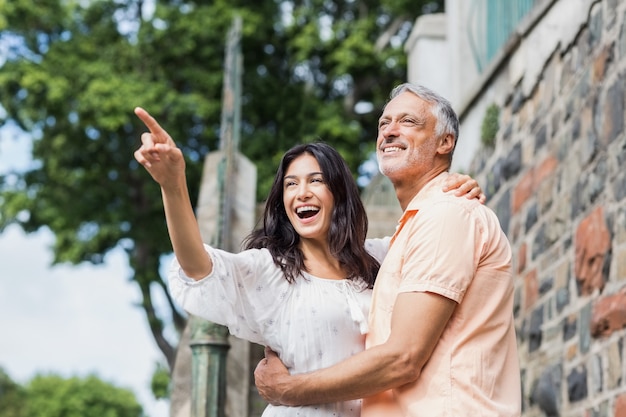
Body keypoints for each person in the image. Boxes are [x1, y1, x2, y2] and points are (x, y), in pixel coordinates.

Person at [133, 105, 485, 417]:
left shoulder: (378, 258)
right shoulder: (269, 270)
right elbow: (197, 266)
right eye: (291, 184)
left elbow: (427, 231)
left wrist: (453, 186)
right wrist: (173, 184)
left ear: (338, 194)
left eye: (316, 180)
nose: (302, 192)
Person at [254, 83, 521, 417]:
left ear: (445, 142)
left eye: (407, 121)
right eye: (384, 123)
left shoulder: (446, 215)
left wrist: (290, 390)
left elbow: (403, 358)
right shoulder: (411, 230)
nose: (390, 132)